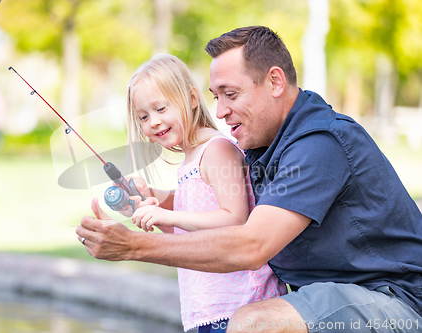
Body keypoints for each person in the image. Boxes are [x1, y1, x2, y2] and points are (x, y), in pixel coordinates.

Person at [77, 26, 422, 333]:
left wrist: (134, 246)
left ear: (274, 81)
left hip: (394, 302)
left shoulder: (319, 145)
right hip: (333, 297)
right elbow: (214, 199)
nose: (220, 110)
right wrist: (159, 197)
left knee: (253, 323)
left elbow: (251, 245)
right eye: (216, 96)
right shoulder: (265, 142)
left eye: (231, 93)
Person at [125, 54, 286, 332]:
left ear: (191, 98)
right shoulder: (189, 161)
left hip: (240, 310)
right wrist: (149, 209)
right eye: (143, 116)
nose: (153, 122)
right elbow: (190, 236)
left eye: (161, 108)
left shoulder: (217, 150)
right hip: (205, 312)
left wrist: (168, 214)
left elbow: (234, 220)